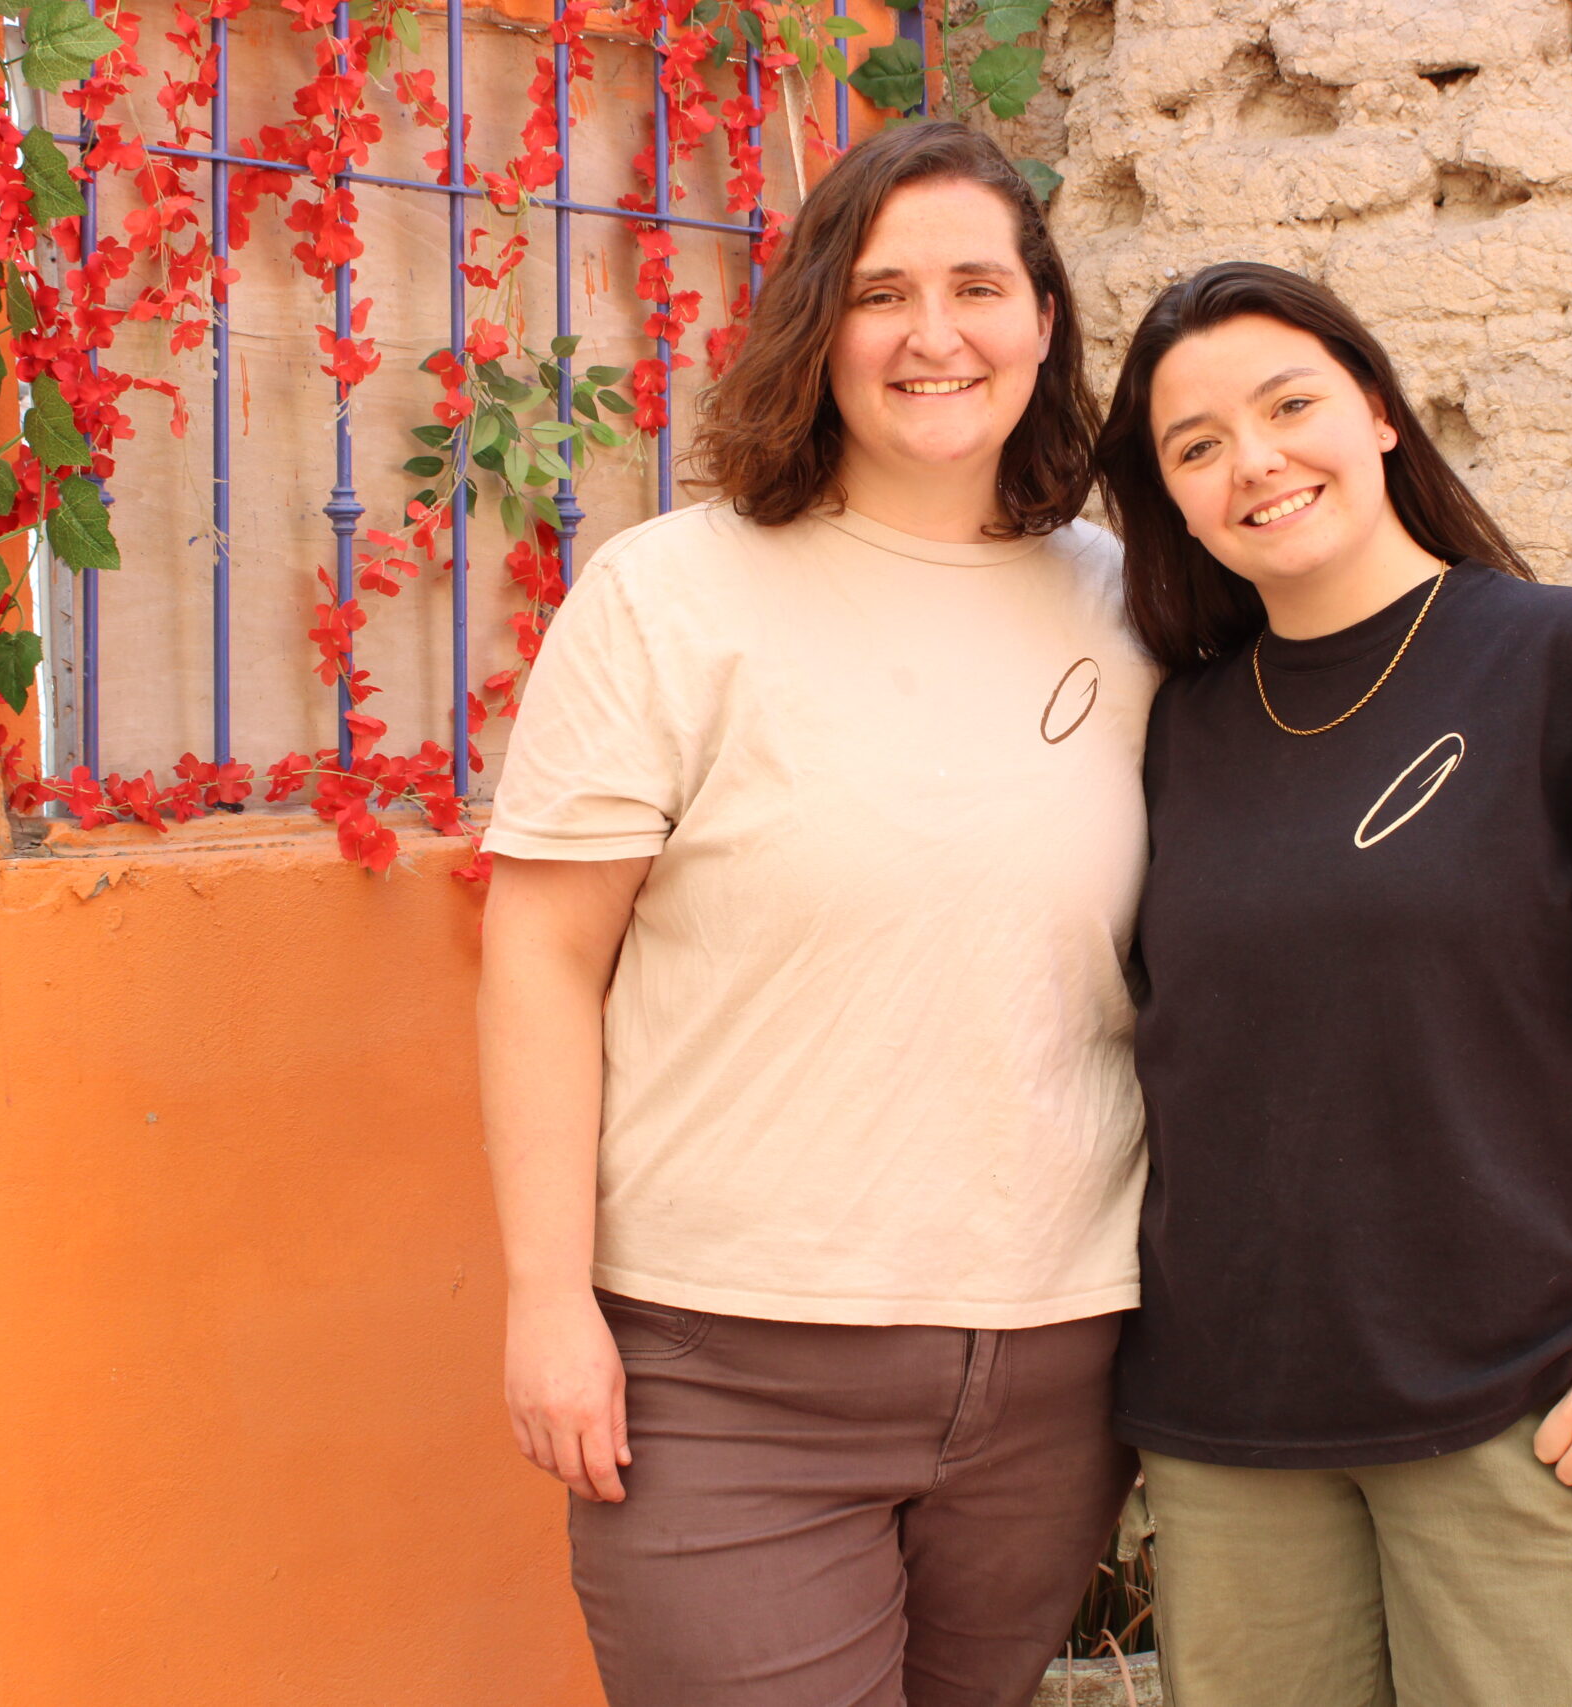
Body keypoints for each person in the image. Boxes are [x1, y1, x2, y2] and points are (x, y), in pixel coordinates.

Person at [474, 122, 1149, 1707]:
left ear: (1042, 321)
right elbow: (542, 961)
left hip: (1058, 1367)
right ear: (816, 328)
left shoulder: (1132, 605)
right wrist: (547, 1300)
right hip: (726, 1373)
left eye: (976, 287)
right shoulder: (669, 596)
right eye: (880, 293)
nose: (933, 334)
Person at [1091, 261, 1572, 1707]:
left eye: (1291, 406)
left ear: (1381, 413)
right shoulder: (1178, 731)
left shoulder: (1568, 662)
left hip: (1517, 1416)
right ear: (1172, 502)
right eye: (1197, 445)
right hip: (1231, 1439)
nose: (1254, 462)